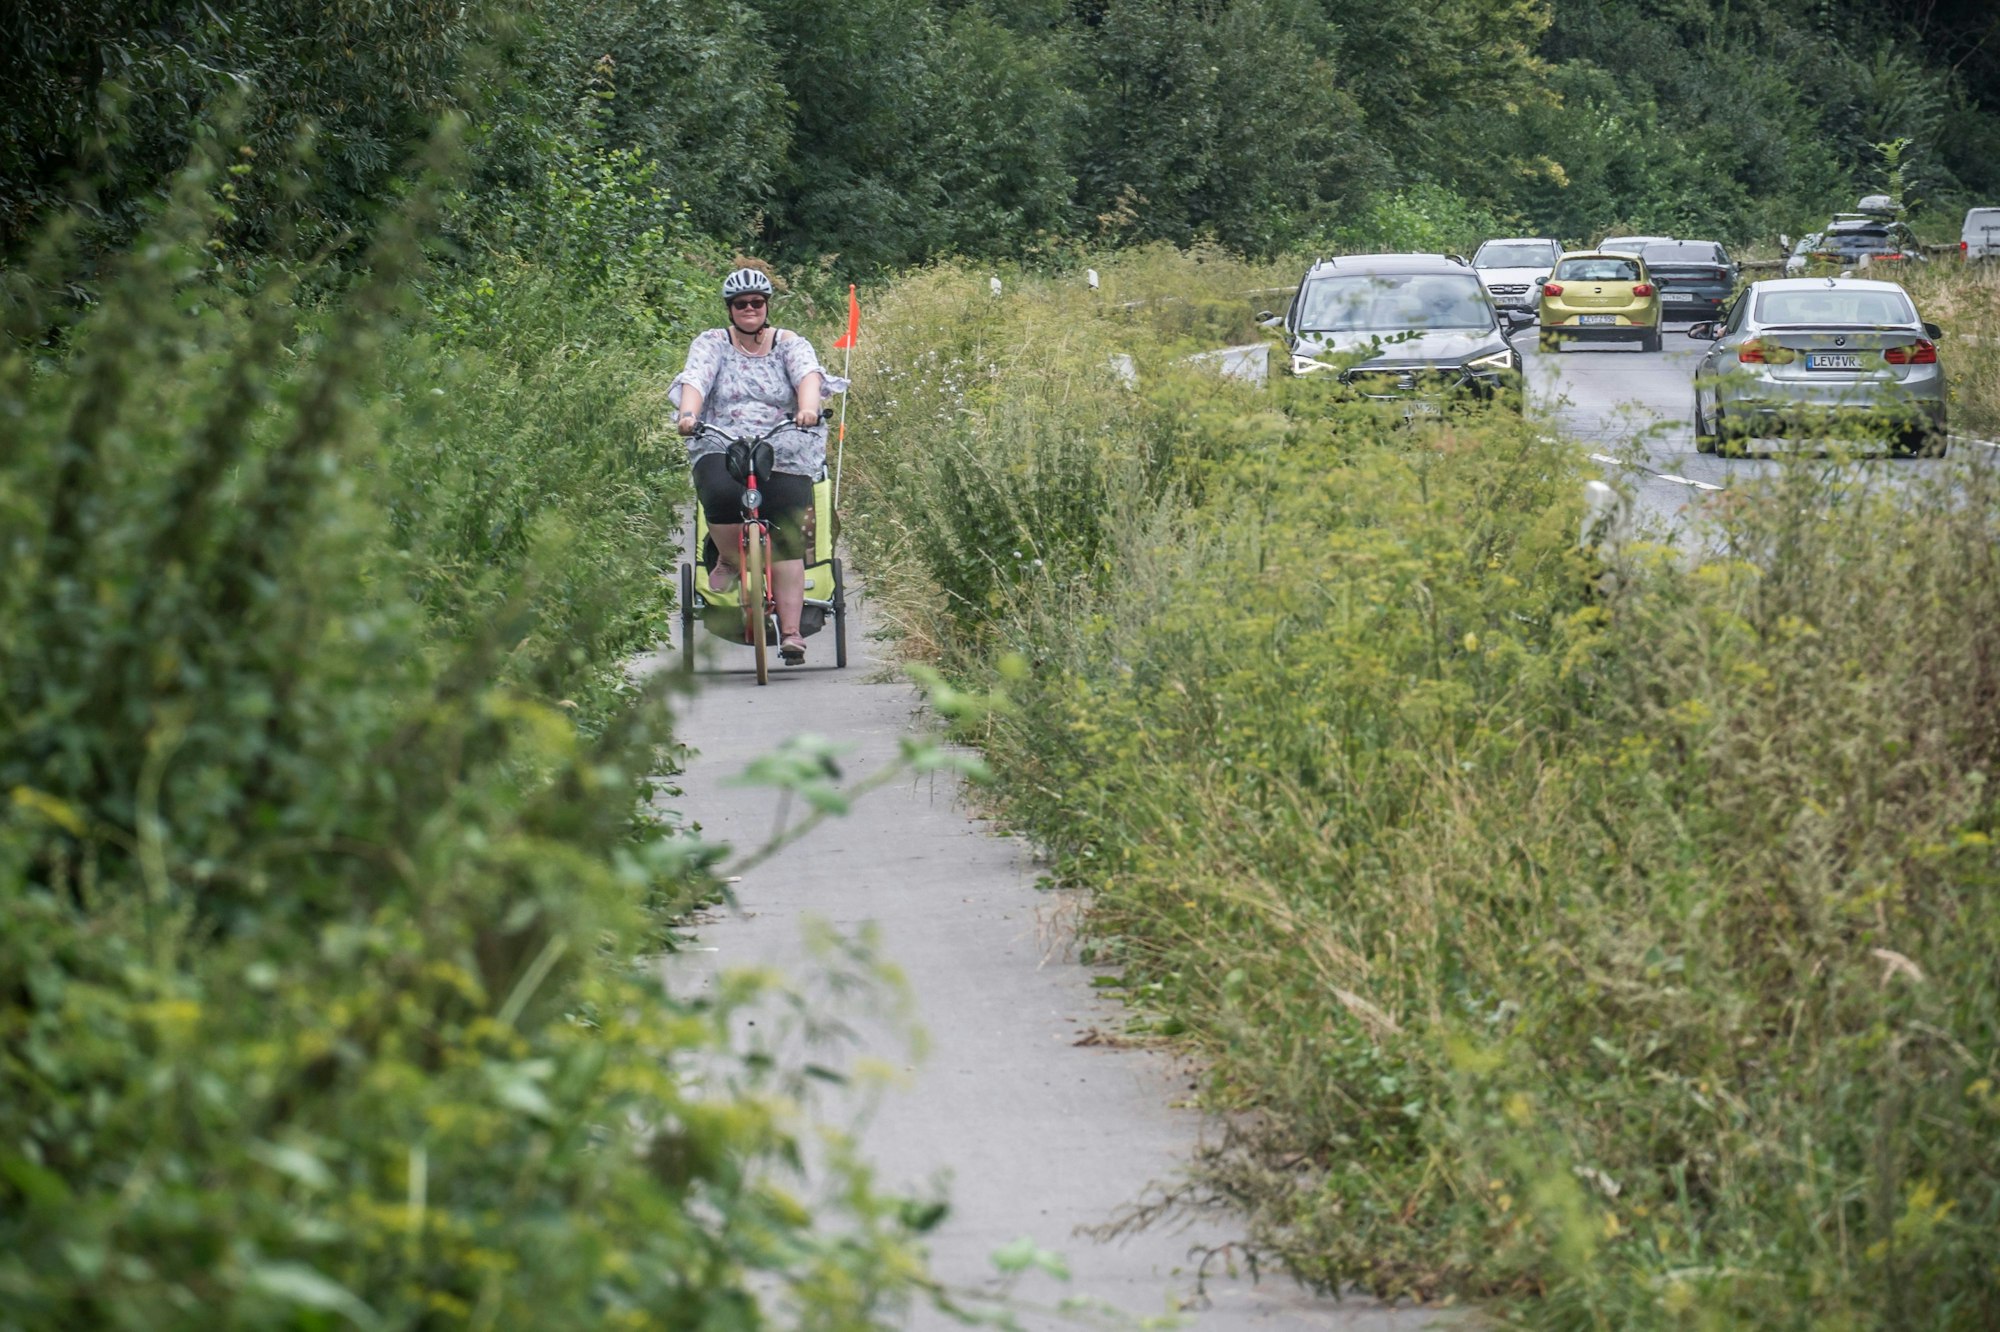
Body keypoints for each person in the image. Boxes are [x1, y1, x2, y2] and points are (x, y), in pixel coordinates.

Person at [671, 266, 831, 665]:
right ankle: (726, 555)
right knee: (721, 494)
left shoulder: (790, 343)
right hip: (721, 440)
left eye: (757, 303)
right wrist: (689, 415)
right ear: (730, 309)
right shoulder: (712, 343)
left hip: (784, 442)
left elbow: (807, 376)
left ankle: (792, 633)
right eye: (741, 304)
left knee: (788, 526)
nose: (749, 309)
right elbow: (696, 378)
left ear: (767, 306)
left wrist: (808, 409)